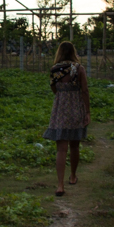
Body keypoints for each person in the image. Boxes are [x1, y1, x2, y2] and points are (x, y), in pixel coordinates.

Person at [43, 40, 90, 196]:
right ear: (73, 52)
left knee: (61, 149)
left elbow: (54, 89)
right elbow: (85, 91)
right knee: (74, 145)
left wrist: (62, 97)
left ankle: (60, 185)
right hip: (76, 108)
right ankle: (73, 176)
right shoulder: (79, 68)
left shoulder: (54, 69)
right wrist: (87, 111)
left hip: (60, 109)